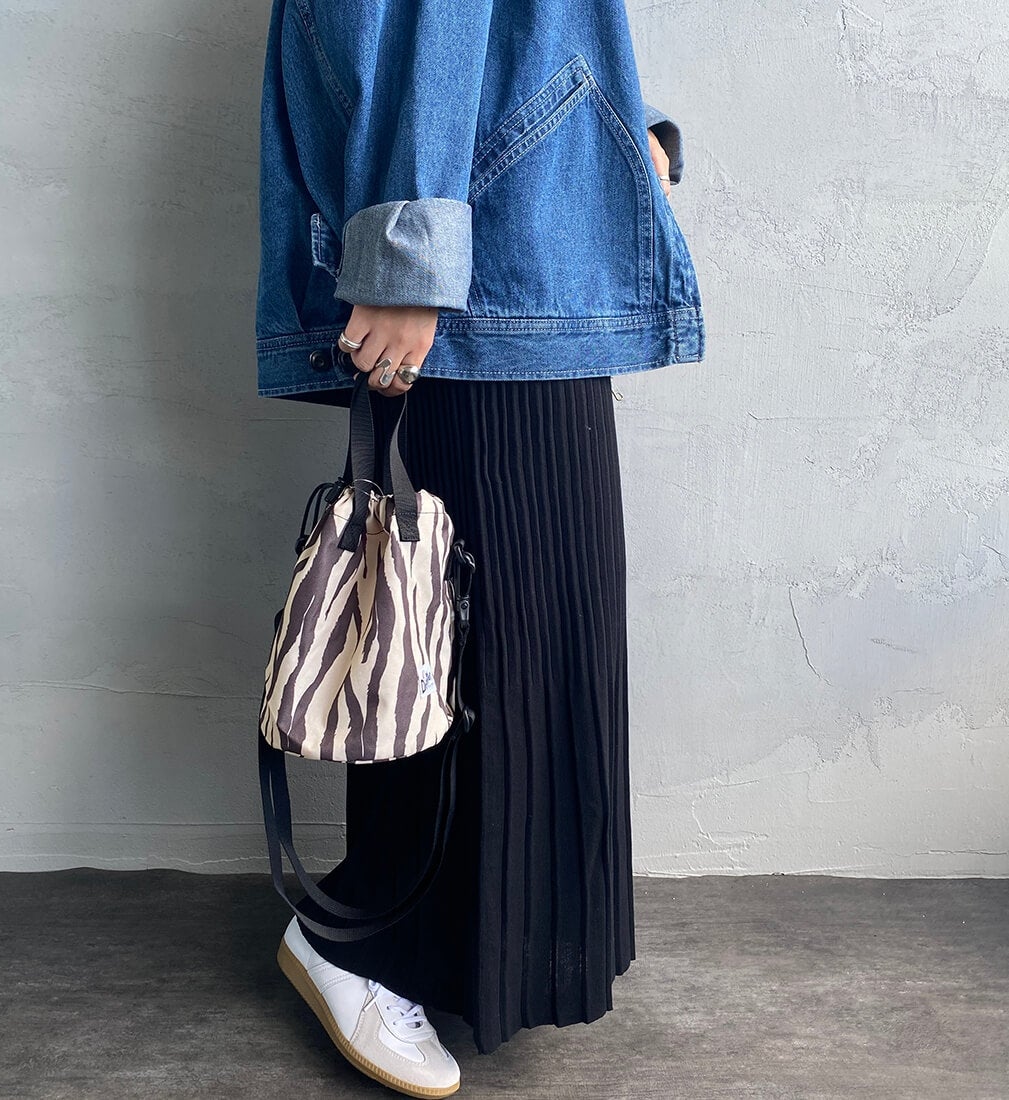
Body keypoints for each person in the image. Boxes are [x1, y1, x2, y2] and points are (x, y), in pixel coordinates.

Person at [255, 0, 705, 1094]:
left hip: (520, 225)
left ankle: (439, 947)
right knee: (468, 642)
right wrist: (410, 253)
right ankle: (363, 942)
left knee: (527, 636)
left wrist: (625, 133)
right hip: (475, 245)